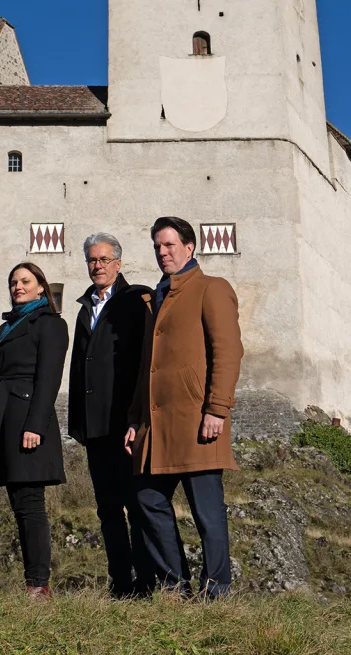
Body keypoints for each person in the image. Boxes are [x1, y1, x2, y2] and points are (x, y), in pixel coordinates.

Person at [124, 216, 244, 600]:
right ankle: (174, 586)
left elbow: (228, 351)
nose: (162, 252)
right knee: (147, 499)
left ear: (189, 247)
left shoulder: (211, 288)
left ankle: (217, 591)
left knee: (207, 512)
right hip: (156, 426)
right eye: (157, 246)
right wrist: (135, 419)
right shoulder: (157, 297)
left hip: (197, 420)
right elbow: (147, 366)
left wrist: (217, 409)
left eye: (169, 245)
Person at [0, 262, 69, 598]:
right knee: (19, 503)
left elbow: (49, 378)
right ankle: (34, 582)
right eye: (13, 282)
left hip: (28, 418)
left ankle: (39, 585)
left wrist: (35, 425)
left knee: (30, 503)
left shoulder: (50, 324)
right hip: (5, 416)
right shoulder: (9, 326)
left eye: (25, 281)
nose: (18, 286)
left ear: (41, 287)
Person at [68, 233, 154, 598]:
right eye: (92, 260)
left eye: (104, 259)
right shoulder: (84, 307)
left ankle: (146, 583)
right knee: (107, 509)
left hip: (124, 423)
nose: (97, 266)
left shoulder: (135, 300)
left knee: (136, 505)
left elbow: (144, 362)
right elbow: (79, 367)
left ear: (118, 263)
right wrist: (78, 423)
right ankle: (121, 583)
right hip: (95, 426)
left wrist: (138, 417)